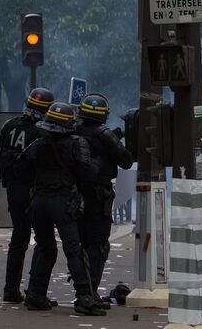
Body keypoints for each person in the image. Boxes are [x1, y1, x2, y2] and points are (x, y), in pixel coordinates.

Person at [23, 102, 105, 316]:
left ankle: (35, 295)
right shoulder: (76, 144)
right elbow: (89, 175)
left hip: (39, 201)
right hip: (62, 201)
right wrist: (98, 159)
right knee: (73, 249)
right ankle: (85, 298)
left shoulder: (38, 144)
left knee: (45, 247)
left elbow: (21, 168)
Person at [74, 93, 133, 309]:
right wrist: (112, 145)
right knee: (98, 246)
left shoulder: (72, 129)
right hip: (99, 196)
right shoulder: (105, 135)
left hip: (75, 195)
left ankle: (83, 291)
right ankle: (91, 293)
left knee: (79, 245)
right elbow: (126, 161)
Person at [0, 87, 54, 303]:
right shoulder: (43, 133)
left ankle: (10, 289)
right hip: (34, 191)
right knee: (44, 241)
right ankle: (35, 291)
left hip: (14, 189)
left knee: (19, 239)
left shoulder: (9, 126)